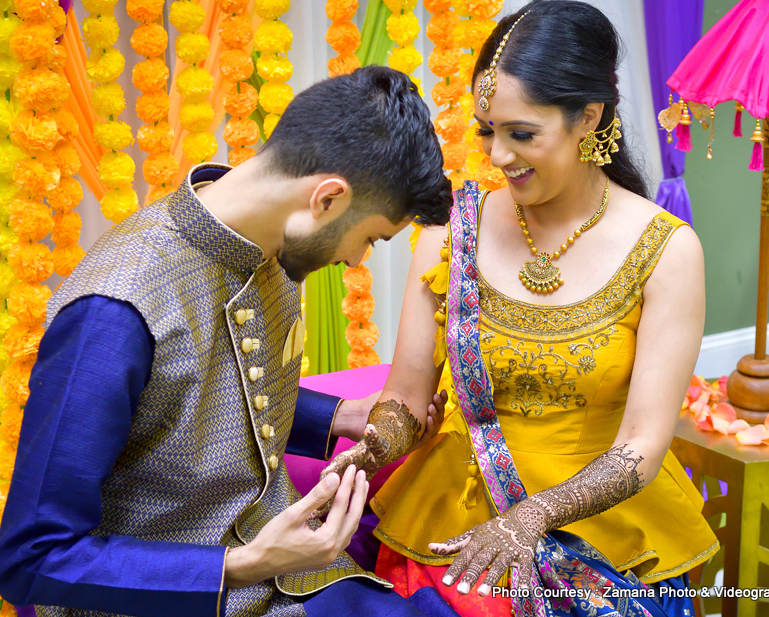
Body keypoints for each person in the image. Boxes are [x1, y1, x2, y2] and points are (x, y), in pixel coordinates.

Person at [0, 66, 458, 617]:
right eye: (370, 238)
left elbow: (192, 388)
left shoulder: (264, 249)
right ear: (327, 199)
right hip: (173, 597)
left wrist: (334, 417)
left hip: (294, 573)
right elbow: (30, 560)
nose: (357, 260)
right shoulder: (115, 309)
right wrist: (245, 564)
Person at [319, 3, 720, 616]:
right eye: (486, 130)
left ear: (588, 117)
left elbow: (642, 445)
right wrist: (371, 449)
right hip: (453, 521)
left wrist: (532, 517)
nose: (499, 156)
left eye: (521, 133)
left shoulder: (666, 251)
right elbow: (405, 397)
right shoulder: (452, 229)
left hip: (601, 533)